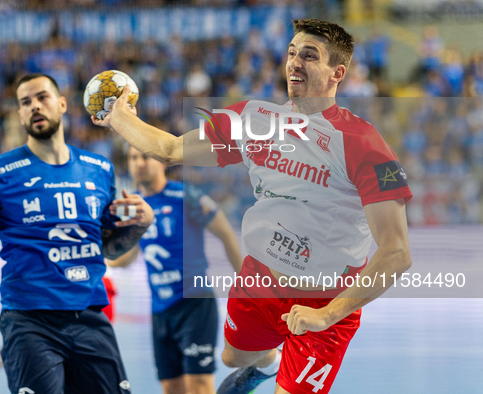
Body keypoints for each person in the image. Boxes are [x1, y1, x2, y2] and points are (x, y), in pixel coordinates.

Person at [93, 19, 413, 394]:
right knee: (233, 357)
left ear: (337, 73)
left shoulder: (364, 143)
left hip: (326, 301)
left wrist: (326, 314)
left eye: (309, 56)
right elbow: (170, 149)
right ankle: (267, 364)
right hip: (260, 280)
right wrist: (119, 117)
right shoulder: (254, 119)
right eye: (292, 52)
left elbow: (397, 252)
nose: (295, 61)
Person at [0, 73, 154, 394]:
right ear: (20, 114)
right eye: (26, 102)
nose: (35, 106)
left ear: (62, 104)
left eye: (42, 97)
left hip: (90, 315)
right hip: (29, 321)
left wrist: (139, 226)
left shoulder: (99, 168)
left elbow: (108, 249)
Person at [107, 146, 243, 394]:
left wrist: (248, 289)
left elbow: (227, 236)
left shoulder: (185, 196)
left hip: (194, 303)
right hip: (160, 309)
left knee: (199, 386)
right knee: (171, 388)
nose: (139, 163)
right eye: (133, 158)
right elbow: (124, 260)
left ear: (162, 162)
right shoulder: (136, 207)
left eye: (145, 156)